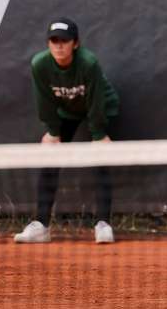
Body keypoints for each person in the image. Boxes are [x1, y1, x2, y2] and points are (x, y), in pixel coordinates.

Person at [13, 18, 120, 245]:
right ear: (48, 44)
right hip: (66, 112)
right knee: (50, 159)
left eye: (64, 40)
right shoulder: (40, 65)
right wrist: (53, 132)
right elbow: (45, 101)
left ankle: (103, 224)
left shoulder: (88, 63)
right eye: (54, 41)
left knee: (100, 158)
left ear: (76, 44)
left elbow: (96, 101)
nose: (59, 45)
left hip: (99, 107)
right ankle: (41, 225)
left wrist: (99, 134)